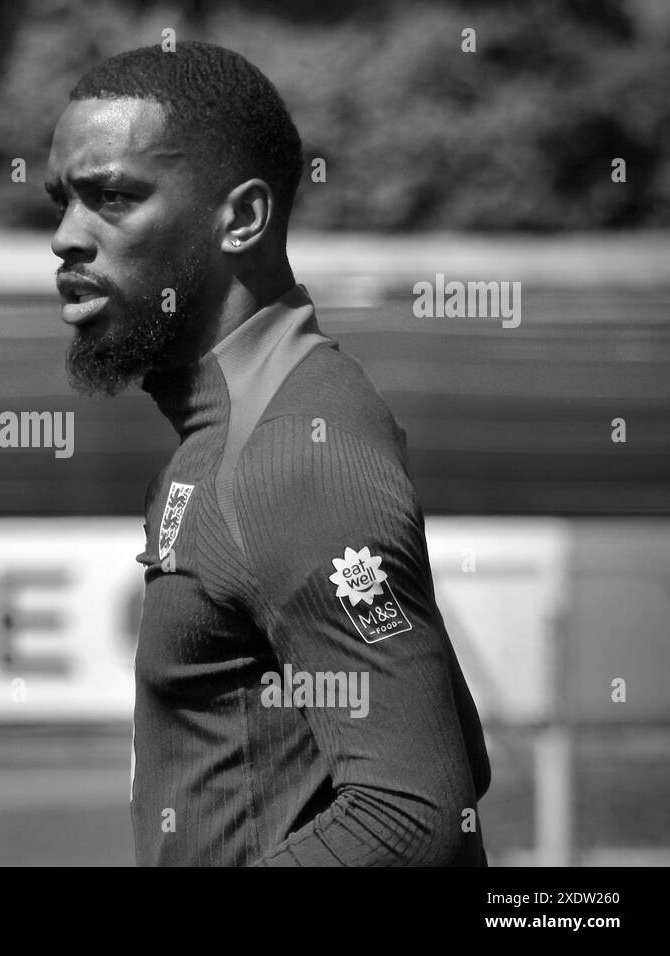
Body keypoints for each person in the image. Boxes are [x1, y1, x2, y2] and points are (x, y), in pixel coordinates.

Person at [45, 41, 490, 865]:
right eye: (62, 202)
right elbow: (456, 753)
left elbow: (417, 813)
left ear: (242, 218)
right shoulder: (228, 428)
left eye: (111, 196)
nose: (67, 237)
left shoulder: (296, 450)